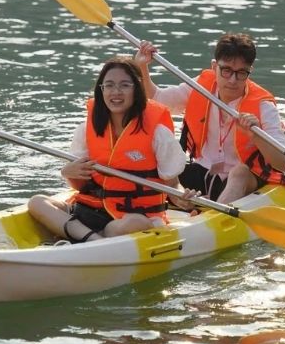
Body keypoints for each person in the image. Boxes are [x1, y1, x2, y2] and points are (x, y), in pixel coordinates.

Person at [26, 56, 195, 244]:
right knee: (37, 202)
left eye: (124, 85)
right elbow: (80, 186)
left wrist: (181, 198)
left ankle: (80, 237)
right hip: (89, 210)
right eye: (109, 85)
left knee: (134, 223)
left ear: (136, 89)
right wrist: (68, 172)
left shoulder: (158, 133)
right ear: (102, 90)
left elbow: (172, 185)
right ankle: (94, 240)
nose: (116, 92)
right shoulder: (86, 129)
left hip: (131, 217)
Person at [134, 33, 285, 205]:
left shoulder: (263, 106)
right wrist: (142, 67)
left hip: (245, 178)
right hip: (203, 170)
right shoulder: (199, 86)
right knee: (160, 164)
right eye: (226, 71)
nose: (233, 80)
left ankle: (215, 214)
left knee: (239, 172)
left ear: (249, 72)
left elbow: (283, 163)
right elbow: (157, 99)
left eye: (241, 73)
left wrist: (257, 135)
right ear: (214, 67)